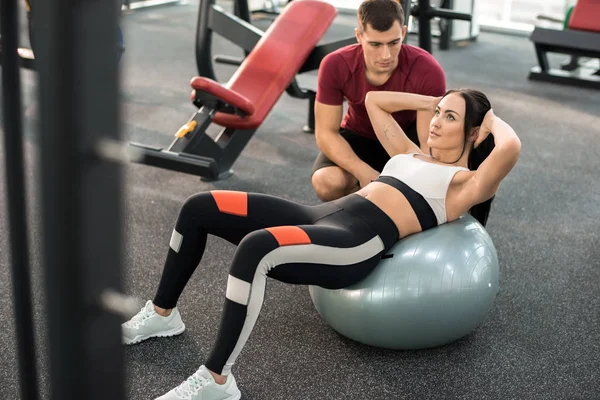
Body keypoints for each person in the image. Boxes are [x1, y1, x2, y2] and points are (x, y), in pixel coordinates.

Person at [122, 89, 521, 400]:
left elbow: (510, 148)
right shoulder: (410, 154)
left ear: (472, 131)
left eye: (449, 117)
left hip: (354, 242)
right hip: (318, 214)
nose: (435, 121)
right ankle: (163, 314)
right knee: (199, 207)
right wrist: (434, 101)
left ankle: (216, 379)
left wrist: (490, 120)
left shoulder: (464, 184)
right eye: (437, 114)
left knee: (256, 247)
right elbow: (374, 102)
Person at [311, 0, 446, 202]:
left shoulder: (427, 69)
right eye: (375, 44)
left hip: (404, 137)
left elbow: (428, 147)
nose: (386, 55)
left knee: (422, 187)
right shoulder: (335, 64)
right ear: (359, 36)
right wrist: (362, 171)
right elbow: (325, 132)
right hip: (359, 134)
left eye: (394, 43)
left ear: (404, 32)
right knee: (326, 182)